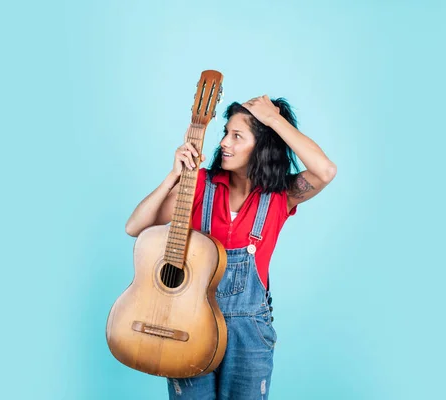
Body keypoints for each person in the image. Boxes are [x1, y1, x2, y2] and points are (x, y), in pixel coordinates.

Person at [124, 95, 337, 399]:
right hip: (188, 322)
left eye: (237, 136)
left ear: (262, 146)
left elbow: (325, 171)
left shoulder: (279, 196)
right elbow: (135, 227)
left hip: (249, 333)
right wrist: (174, 176)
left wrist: (274, 120)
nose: (224, 142)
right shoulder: (200, 184)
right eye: (225, 133)